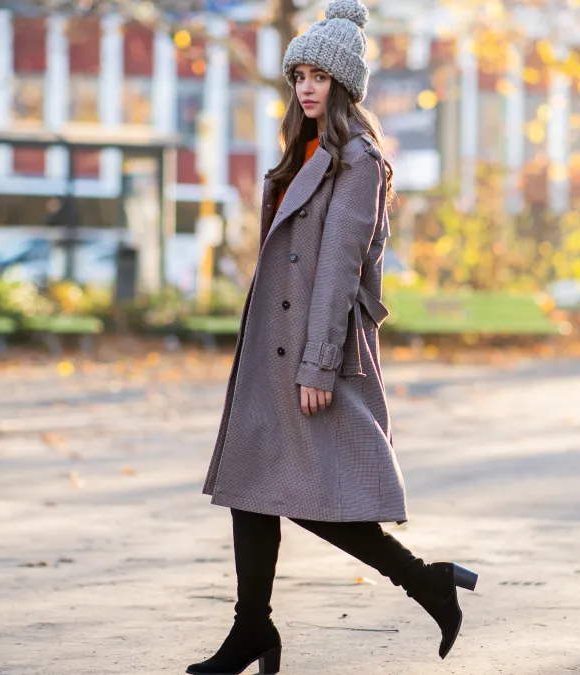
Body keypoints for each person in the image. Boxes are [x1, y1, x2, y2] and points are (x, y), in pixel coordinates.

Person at [188, 1, 477, 673]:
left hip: (311, 354)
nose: (306, 88)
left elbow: (341, 272)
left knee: (312, 496)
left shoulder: (360, 162)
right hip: (273, 350)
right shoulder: (306, 151)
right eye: (299, 76)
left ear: (346, 84)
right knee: (250, 486)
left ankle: (424, 580)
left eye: (319, 76)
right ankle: (252, 627)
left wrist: (317, 365)